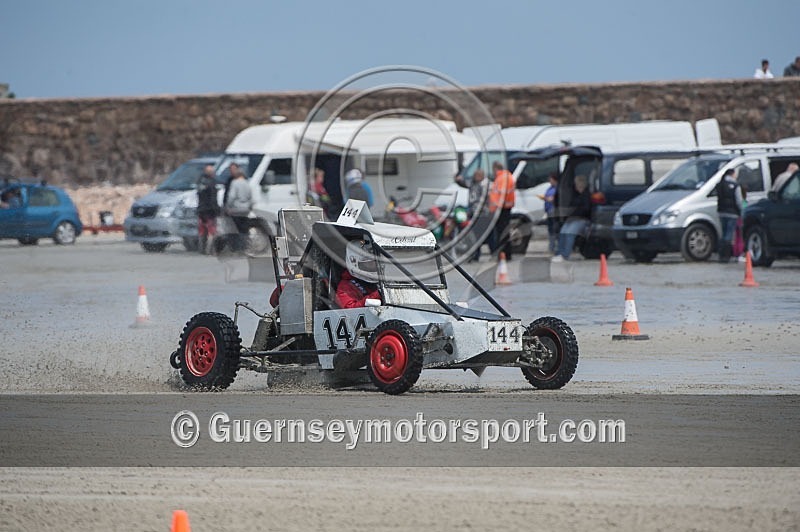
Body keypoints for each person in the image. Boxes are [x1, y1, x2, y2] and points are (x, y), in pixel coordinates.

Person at [552, 174, 591, 262]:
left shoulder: (586, 195)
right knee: (563, 231)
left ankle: (565, 254)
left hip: (582, 219)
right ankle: (559, 253)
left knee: (570, 233)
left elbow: (586, 209)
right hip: (573, 218)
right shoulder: (576, 195)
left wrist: (574, 212)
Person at [455, 168, 492, 261]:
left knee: (485, 235)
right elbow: (463, 183)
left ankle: (492, 251)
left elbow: (486, 199)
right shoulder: (472, 183)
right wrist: (458, 178)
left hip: (482, 213)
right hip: (473, 212)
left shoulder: (484, 185)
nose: (476, 177)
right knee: (474, 235)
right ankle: (475, 254)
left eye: (478, 176)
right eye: (475, 176)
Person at [336, 240, 382, 308]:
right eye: (368, 263)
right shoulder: (345, 287)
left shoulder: (386, 281)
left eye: (375, 262)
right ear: (354, 264)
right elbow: (349, 309)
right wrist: (377, 295)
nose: (374, 265)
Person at [716, 168, 744, 263]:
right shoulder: (736, 186)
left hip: (721, 212)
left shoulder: (720, 184)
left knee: (723, 234)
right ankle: (726, 256)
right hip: (733, 213)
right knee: (729, 235)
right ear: (732, 174)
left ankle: (721, 255)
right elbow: (739, 201)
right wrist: (741, 211)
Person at [489, 161, 516, 260]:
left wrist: (497, 206)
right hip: (504, 208)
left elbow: (501, 194)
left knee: (501, 233)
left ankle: (503, 254)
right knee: (504, 232)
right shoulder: (506, 176)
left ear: (495, 169)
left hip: (501, 209)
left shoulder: (502, 178)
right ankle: (505, 254)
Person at [224, 162, 253, 253]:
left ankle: (237, 248)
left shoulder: (235, 183)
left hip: (236, 209)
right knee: (244, 229)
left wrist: (228, 207)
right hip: (245, 209)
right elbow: (251, 197)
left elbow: (232, 196)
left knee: (235, 229)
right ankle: (245, 246)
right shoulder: (247, 183)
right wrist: (249, 207)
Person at [196, 164, 219, 255]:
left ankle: (202, 248)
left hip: (201, 210)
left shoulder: (200, 181)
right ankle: (210, 249)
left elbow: (199, 194)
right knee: (211, 231)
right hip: (209, 210)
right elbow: (212, 198)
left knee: (202, 230)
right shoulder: (212, 183)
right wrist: (216, 210)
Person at [538, 172, 559, 254]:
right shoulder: (550, 188)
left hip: (553, 211)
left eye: (551, 180)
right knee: (550, 230)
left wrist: (546, 198)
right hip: (549, 211)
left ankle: (554, 247)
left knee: (554, 229)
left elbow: (553, 198)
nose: (550, 181)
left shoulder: (557, 188)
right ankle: (551, 246)